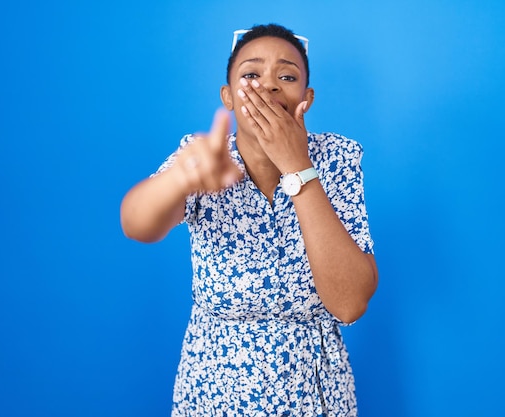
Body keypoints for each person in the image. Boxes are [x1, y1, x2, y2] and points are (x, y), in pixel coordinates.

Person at [120, 23, 378, 416]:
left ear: (306, 97)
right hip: (213, 394)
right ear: (228, 97)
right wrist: (180, 179)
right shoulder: (203, 155)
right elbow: (136, 223)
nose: (269, 86)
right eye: (251, 74)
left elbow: (349, 304)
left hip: (316, 397)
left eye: (287, 76)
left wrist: (297, 168)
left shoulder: (336, 159)